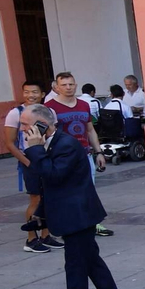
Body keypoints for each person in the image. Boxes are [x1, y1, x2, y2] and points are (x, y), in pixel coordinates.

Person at [19, 103, 129, 289]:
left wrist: (35, 149)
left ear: (42, 125)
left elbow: (53, 175)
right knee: (91, 262)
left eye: (25, 125)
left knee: (76, 268)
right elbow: (50, 185)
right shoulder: (52, 143)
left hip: (78, 216)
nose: (22, 129)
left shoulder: (66, 144)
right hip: (71, 212)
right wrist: (41, 213)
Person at [43, 72, 112, 237]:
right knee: (65, 191)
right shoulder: (49, 107)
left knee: (88, 190)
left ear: (76, 85)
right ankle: (67, 224)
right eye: (64, 85)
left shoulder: (83, 105)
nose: (68, 87)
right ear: (56, 87)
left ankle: (92, 223)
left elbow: (90, 130)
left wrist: (98, 152)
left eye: (71, 84)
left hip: (84, 155)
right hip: (62, 157)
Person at [4, 80, 57, 253]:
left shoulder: (49, 112)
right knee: (36, 199)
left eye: (34, 92)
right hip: (30, 161)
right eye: (26, 92)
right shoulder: (15, 113)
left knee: (49, 198)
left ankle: (46, 235)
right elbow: (10, 143)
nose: (30, 95)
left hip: (46, 159)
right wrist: (27, 162)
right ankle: (31, 238)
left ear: (42, 94)